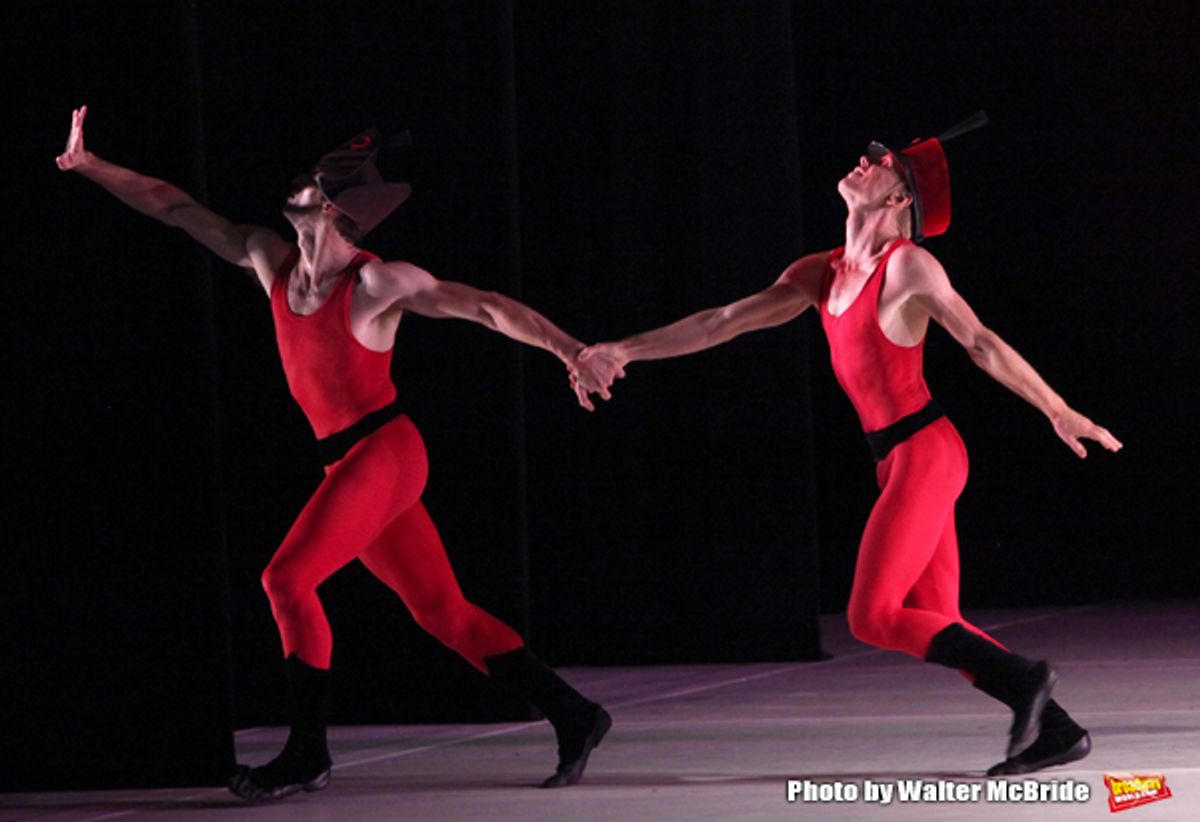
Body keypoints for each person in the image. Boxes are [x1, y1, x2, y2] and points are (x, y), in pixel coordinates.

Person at [56, 106, 617, 800]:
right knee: (443, 613)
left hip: (384, 452)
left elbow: (487, 306)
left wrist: (571, 351)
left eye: (312, 187)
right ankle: (576, 714)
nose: (295, 190)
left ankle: (307, 753)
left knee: (285, 580)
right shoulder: (271, 260)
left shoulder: (375, 284)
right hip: (348, 461)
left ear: (334, 209)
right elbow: (173, 206)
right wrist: (90, 166)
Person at [577, 114, 1121, 775]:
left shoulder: (910, 265)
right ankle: (1059, 732)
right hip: (895, 459)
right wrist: (622, 350)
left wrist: (1058, 410)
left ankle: (1028, 675)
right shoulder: (820, 272)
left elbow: (979, 342)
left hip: (927, 451)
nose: (864, 160)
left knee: (871, 616)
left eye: (880, 162)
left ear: (899, 200)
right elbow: (721, 323)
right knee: (937, 619)